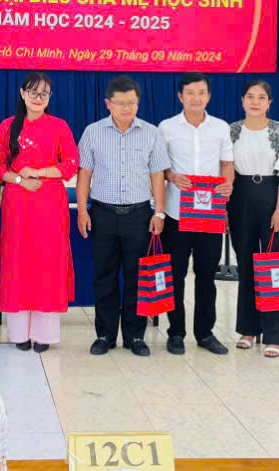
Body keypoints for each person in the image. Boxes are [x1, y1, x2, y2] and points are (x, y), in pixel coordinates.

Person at [76, 76, 170, 357]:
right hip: (103, 214)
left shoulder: (151, 133)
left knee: (136, 277)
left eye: (132, 103)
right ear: (108, 104)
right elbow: (84, 174)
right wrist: (82, 210)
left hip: (138, 215)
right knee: (104, 277)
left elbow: (157, 175)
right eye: (121, 103)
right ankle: (105, 335)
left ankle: (135, 336)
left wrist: (159, 212)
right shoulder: (93, 132)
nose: (127, 108)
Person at [0, 72, 79, 353]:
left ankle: (44, 334)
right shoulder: (7, 127)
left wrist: (39, 172)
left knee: (48, 262)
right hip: (17, 204)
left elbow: (71, 164)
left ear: (50, 97)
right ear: (22, 94)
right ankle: (19, 333)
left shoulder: (59, 126)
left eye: (44, 93)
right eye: (33, 92)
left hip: (50, 204)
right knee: (17, 261)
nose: (38, 98)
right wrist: (20, 179)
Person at [158, 73, 234, 355]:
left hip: (209, 215)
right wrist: (172, 177)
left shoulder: (220, 128)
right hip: (176, 213)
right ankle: (176, 333)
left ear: (209, 96)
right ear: (180, 96)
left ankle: (205, 333)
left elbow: (227, 164)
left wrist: (228, 186)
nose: (196, 98)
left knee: (206, 277)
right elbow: (159, 166)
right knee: (175, 276)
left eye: (201, 92)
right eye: (190, 93)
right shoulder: (166, 127)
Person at [228, 80, 279, 358]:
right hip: (240, 198)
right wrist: (223, 208)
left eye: (261, 97)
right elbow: (226, 171)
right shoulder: (231, 131)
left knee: (275, 264)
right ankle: (248, 329)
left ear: (269, 102)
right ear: (242, 100)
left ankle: (275, 334)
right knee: (246, 264)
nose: (255, 102)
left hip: (273, 196)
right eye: (250, 96)